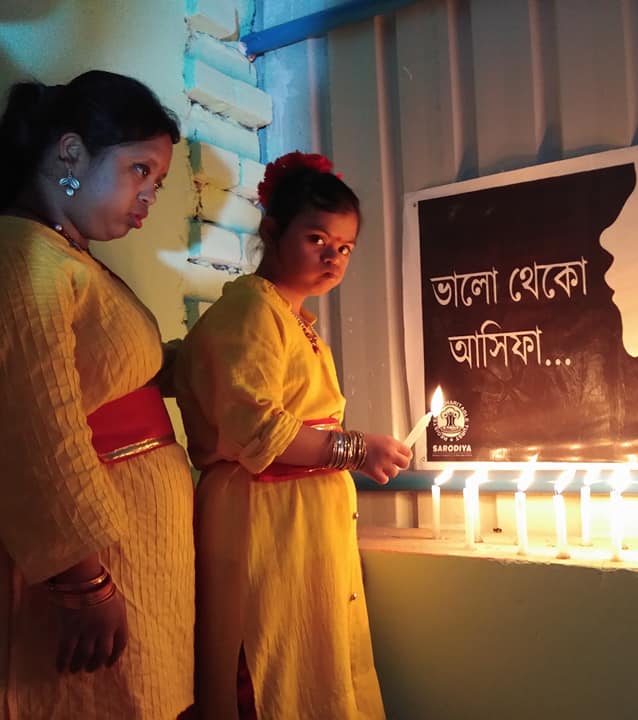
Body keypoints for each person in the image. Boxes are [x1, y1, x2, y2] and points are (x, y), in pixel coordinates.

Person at [175, 151, 411, 720]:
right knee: (266, 659)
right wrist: (357, 449)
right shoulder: (252, 312)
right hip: (263, 519)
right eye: (316, 239)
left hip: (300, 521)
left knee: (313, 654)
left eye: (345, 247)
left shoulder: (293, 320)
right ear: (272, 232)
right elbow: (257, 427)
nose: (333, 257)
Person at [0, 71, 195, 717]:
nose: (150, 197)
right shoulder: (22, 254)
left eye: (157, 182)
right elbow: (36, 423)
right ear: (71, 153)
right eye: (141, 170)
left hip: (136, 553)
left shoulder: (68, 257)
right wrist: (85, 581)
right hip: (94, 567)